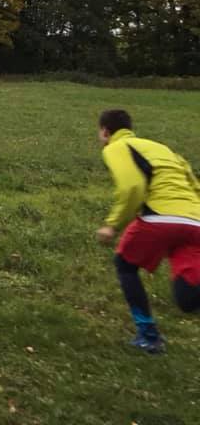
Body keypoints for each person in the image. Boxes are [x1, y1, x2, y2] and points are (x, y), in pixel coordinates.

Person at [95, 109, 200, 354]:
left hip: (159, 218)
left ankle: (149, 336)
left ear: (105, 131)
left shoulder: (116, 147)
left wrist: (113, 224)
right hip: (195, 223)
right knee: (188, 300)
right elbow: (194, 185)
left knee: (125, 264)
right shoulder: (162, 149)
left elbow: (132, 187)